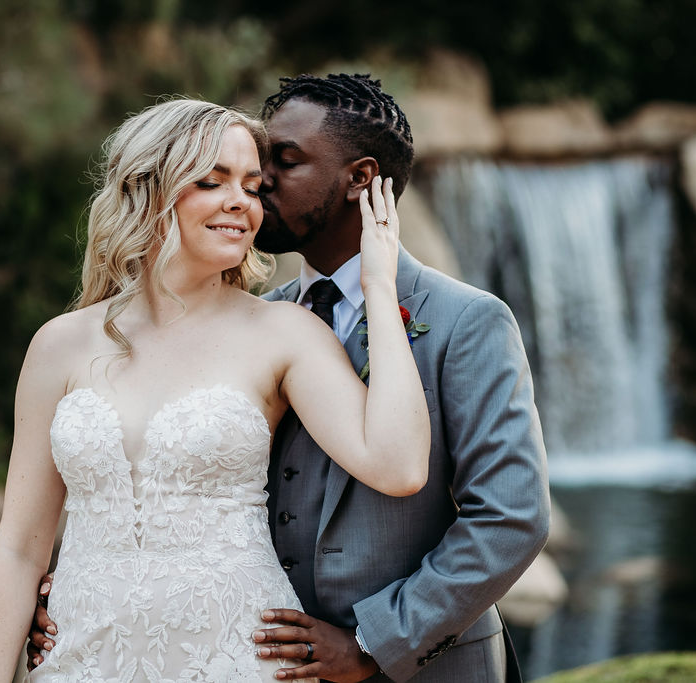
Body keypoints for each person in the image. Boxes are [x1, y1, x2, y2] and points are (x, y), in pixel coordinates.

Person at [28, 74, 551, 682]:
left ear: (359, 178)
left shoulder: (466, 320)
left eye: (283, 162)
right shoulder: (256, 320)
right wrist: (85, 592)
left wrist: (373, 641)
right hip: (249, 657)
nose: (259, 183)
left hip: (420, 669)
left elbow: (511, 516)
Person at [0, 97, 432, 682]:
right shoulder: (59, 344)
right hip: (80, 656)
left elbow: (399, 465)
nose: (240, 202)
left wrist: (377, 285)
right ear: (147, 191)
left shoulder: (284, 332)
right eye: (212, 182)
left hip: (236, 656)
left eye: (251, 185)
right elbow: (18, 548)